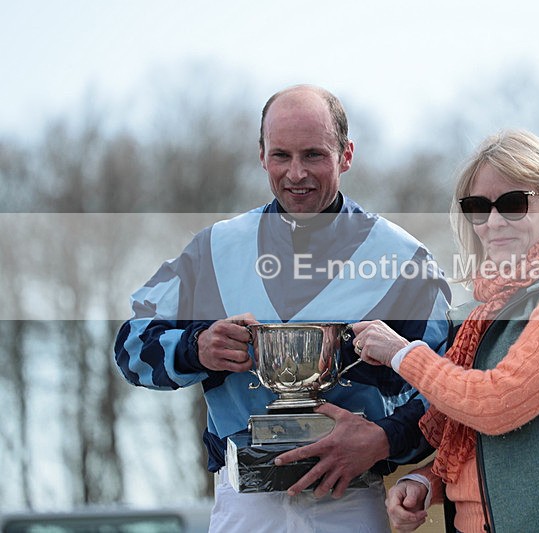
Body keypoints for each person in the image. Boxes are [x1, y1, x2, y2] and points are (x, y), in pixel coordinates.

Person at [114, 85, 450, 532]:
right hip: (242, 502)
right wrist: (197, 348)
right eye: (281, 156)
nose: (296, 174)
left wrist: (385, 439)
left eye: (313, 155)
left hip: (350, 500)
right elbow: (131, 345)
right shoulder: (214, 251)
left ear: (346, 155)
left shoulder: (404, 261)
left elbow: (448, 388)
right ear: (261, 155)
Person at [350, 130, 539, 532]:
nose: (492, 221)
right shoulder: (484, 313)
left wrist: (401, 353)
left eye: (512, 203)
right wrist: (427, 480)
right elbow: (487, 444)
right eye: (477, 207)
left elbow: (495, 405)